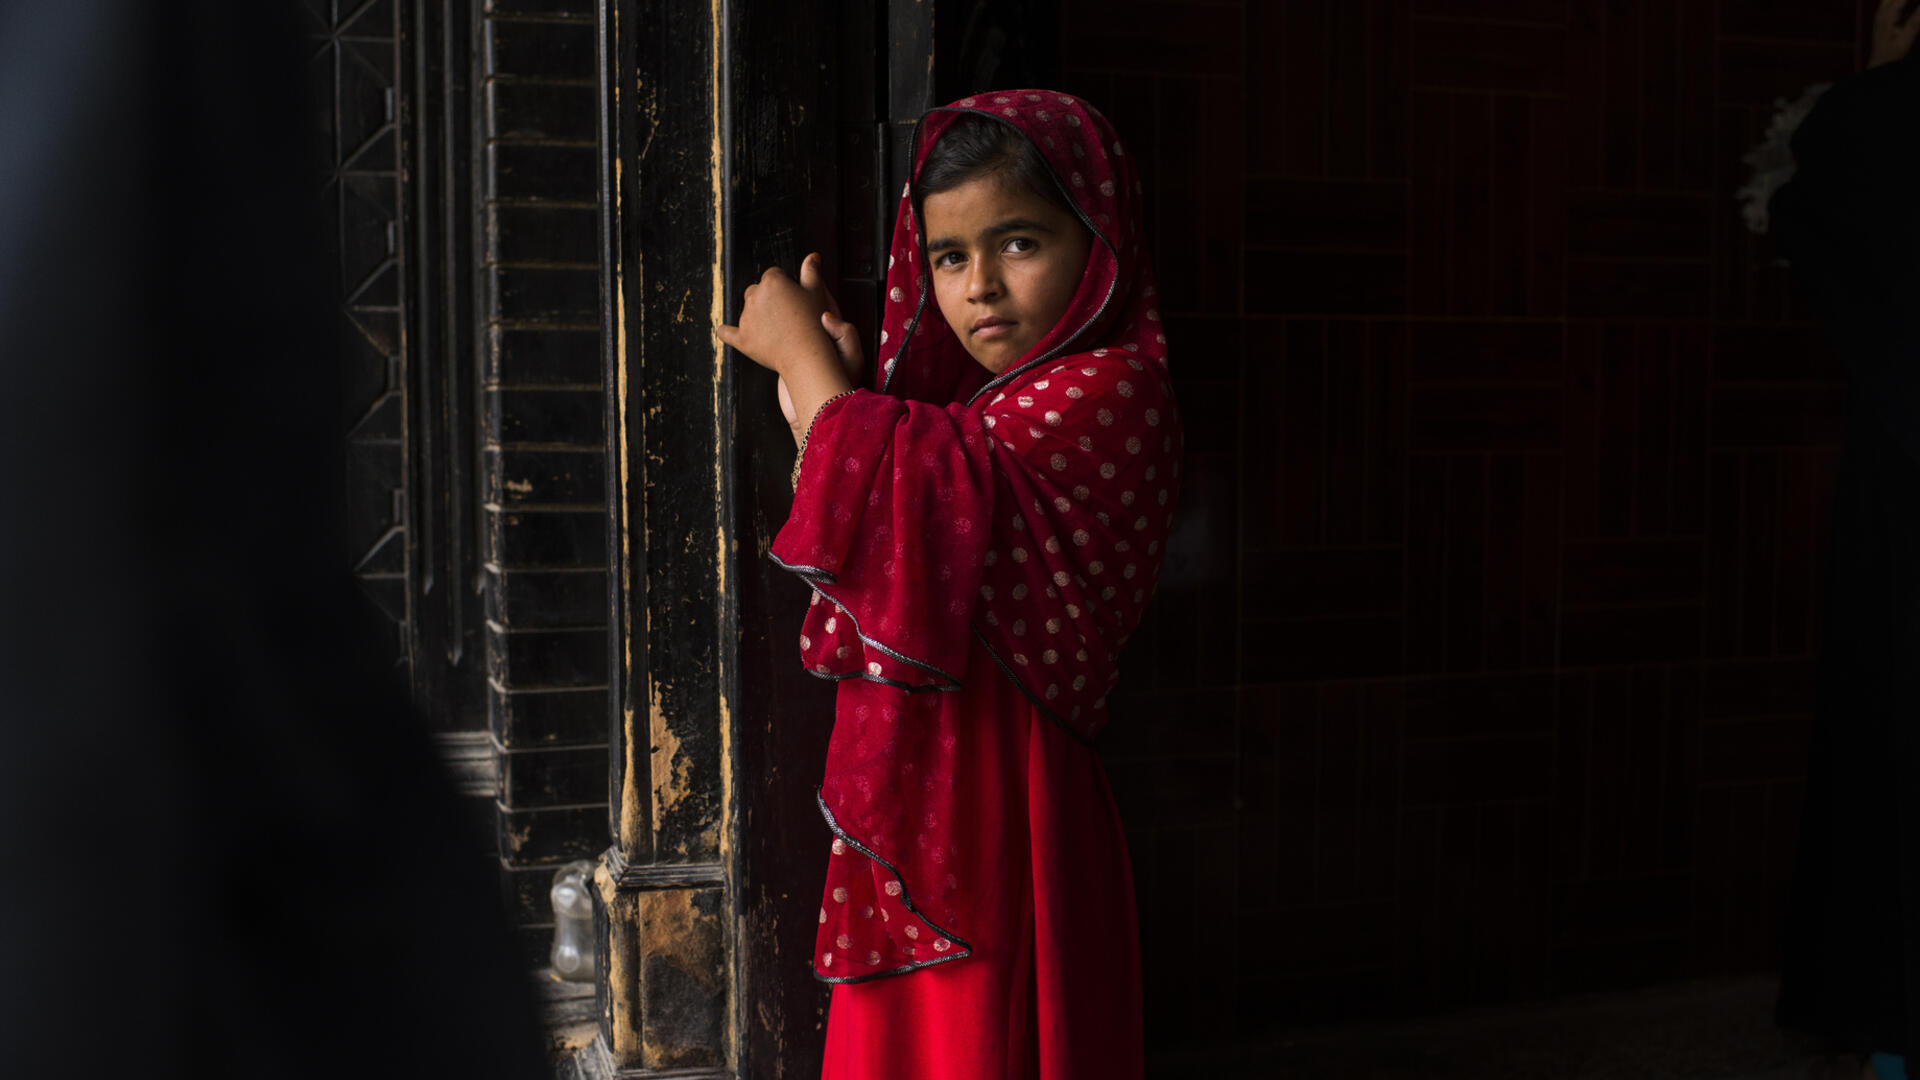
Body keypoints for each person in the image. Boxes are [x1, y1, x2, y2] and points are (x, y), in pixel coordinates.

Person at [717, 92, 1178, 1079]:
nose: (981, 289)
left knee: (991, 1034)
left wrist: (803, 361)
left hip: (1015, 795)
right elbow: (892, 504)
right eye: (950, 257)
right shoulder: (984, 412)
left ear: (1098, 240)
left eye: (1018, 243)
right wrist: (832, 392)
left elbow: (915, 483)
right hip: (939, 788)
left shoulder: (1111, 390)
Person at [1770, 3, 1920, 1079]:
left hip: (1906, 472)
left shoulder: (1870, 123)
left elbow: (1806, 218)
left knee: (1892, 727)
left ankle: (1888, 1018)